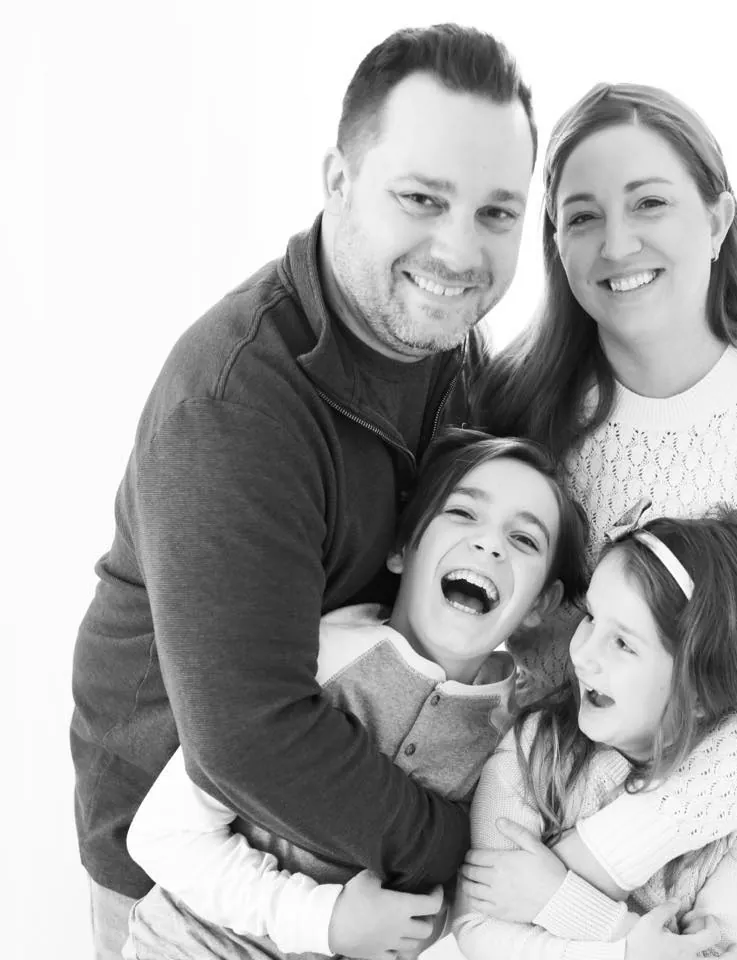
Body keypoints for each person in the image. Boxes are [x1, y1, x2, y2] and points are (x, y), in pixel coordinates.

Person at [70, 24, 537, 960]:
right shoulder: (234, 403)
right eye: (421, 198)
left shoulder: (445, 348)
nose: (458, 250)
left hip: (346, 846)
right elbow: (248, 738)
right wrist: (470, 851)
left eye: (496, 213)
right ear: (337, 181)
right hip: (193, 871)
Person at [471, 83, 737, 959]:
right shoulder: (522, 403)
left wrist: (608, 854)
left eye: (649, 202)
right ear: (556, 244)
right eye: (581, 217)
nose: (618, 243)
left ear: (719, 217)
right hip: (538, 809)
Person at [120, 429, 590, 960]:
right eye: (462, 513)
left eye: (524, 540)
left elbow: (463, 907)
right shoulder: (316, 659)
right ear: (401, 547)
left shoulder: (509, 741)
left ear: (539, 604)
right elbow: (162, 836)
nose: (490, 544)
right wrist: (326, 921)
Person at [453, 505, 737, 959]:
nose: (583, 654)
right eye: (592, 618)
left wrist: (565, 902)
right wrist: (632, 949)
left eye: (623, 643)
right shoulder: (533, 748)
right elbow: (478, 930)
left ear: (700, 693)